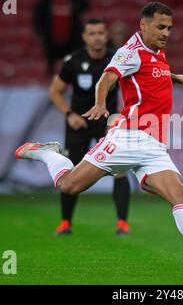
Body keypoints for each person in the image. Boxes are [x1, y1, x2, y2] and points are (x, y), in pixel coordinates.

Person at [15, 2, 183, 259]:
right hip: (128, 138)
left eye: (169, 28)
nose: (166, 33)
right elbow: (108, 77)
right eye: (160, 27)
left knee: (180, 192)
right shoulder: (130, 52)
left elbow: (149, 75)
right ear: (143, 25)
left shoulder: (157, 51)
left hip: (154, 146)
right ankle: (46, 152)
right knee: (69, 186)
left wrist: (172, 76)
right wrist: (101, 103)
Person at [48, 19, 131, 236]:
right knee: (71, 171)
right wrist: (69, 114)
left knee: (120, 171)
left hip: (107, 123)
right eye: (92, 33)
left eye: (101, 32)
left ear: (106, 35)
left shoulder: (118, 59)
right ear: (84, 37)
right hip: (79, 122)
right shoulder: (73, 62)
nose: (97, 37)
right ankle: (66, 222)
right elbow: (55, 91)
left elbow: (134, 83)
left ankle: (122, 223)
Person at [33, 0, 88, 75]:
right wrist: (40, 32)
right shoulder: (45, 1)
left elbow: (84, 7)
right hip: (51, 41)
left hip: (71, 40)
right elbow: (39, 18)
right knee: (51, 67)